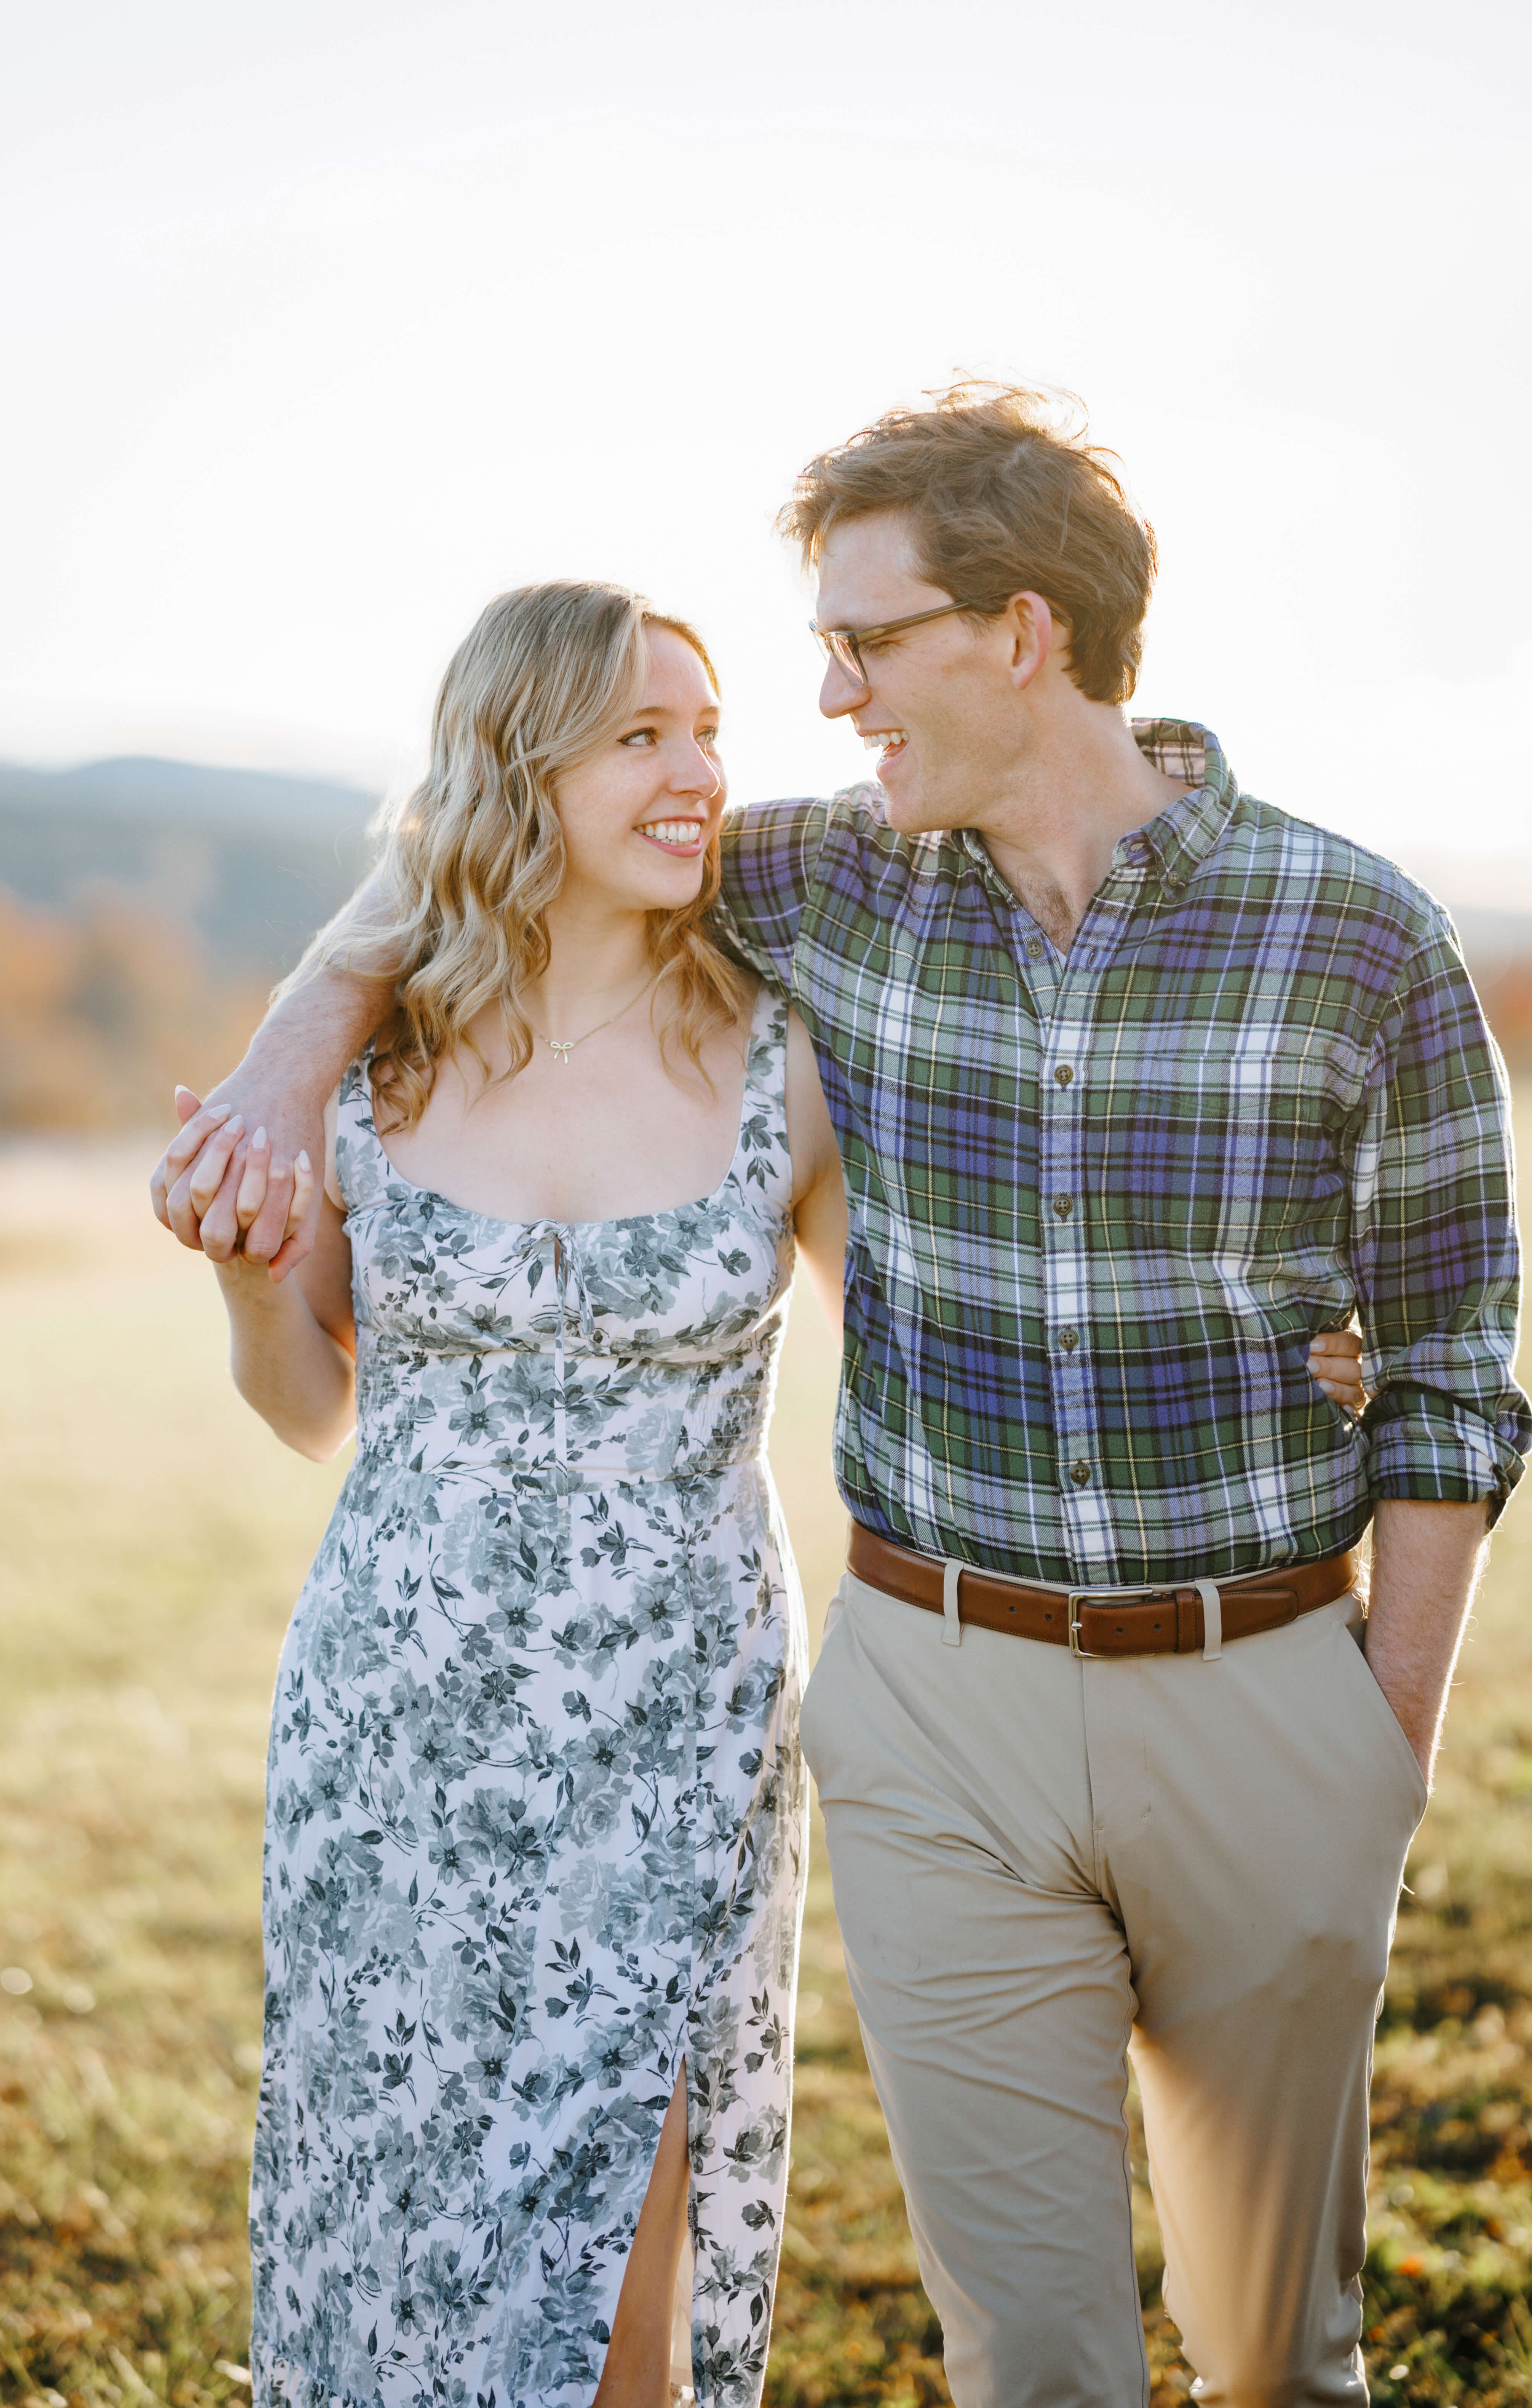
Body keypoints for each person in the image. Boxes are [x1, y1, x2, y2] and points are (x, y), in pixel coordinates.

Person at [158, 385, 1518, 2408]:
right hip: (670, 1696)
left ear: (1018, 631)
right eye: (670, 719)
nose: (784, 717)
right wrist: (275, 1102)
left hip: (982, 1691)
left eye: (849, 648)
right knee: (977, 2336)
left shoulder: (1271, 943)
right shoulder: (636, 965)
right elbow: (448, 899)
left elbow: (1382, 1364)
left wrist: (1358, 1674)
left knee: (1241, 2338)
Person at [166, 582, 851, 2408]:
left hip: (674, 1713)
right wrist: (248, 1275)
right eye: (642, 735)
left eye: (707, 732)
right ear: (517, 766)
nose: (697, 771)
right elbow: (310, 1406)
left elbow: (937, 1359)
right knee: (399, 2193)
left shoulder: (781, 1054)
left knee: (633, 2199)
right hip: (400, 1707)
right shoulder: (373, 1068)